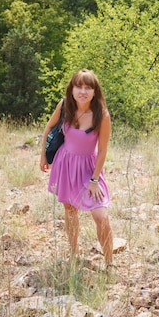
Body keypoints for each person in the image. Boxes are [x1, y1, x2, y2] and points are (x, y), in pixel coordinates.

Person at [40, 68, 114, 266]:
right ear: (71, 89)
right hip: (65, 164)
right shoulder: (65, 106)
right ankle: (73, 256)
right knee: (70, 211)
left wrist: (95, 180)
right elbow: (49, 127)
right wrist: (43, 156)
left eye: (88, 87)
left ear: (95, 91)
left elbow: (103, 150)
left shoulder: (101, 115)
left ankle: (109, 263)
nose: (83, 91)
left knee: (101, 216)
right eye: (78, 86)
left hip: (89, 168)